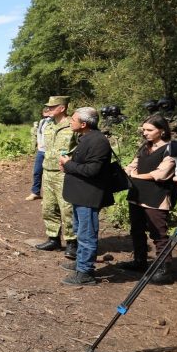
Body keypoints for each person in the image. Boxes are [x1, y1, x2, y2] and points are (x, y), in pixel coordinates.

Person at [58, 107, 113, 286]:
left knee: (87, 234)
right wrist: (70, 163)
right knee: (80, 231)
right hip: (80, 194)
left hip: (88, 196)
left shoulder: (98, 141)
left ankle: (86, 273)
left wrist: (68, 165)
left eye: (73, 119)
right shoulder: (86, 138)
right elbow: (84, 164)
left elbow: (92, 170)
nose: (70, 122)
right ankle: (81, 263)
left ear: (83, 124)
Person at [121, 115, 176, 284]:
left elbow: (161, 173)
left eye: (149, 130)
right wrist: (127, 171)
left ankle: (163, 269)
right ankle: (140, 261)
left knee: (159, 233)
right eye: (144, 129)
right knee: (136, 230)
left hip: (156, 196)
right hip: (137, 194)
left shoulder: (170, 149)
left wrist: (136, 175)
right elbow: (133, 164)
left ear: (162, 130)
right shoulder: (145, 146)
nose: (145, 133)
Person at [36, 96, 78, 259]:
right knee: (48, 207)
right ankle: (53, 238)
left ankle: (71, 243)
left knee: (67, 208)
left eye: (52, 107)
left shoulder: (73, 125)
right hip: (48, 171)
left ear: (62, 108)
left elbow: (81, 148)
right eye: (48, 107)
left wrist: (72, 164)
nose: (49, 110)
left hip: (64, 173)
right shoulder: (48, 125)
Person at [27, 108, 52, 201]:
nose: (46, 113)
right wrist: (38, 144)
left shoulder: (54, 122)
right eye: (44, 111)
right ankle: (35, 192)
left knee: (48, 174)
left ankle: (47, 198)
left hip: (50, 151)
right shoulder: (41, 121)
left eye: (48, 111)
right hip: (41, 151)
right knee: (37, 172)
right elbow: (39, 133)